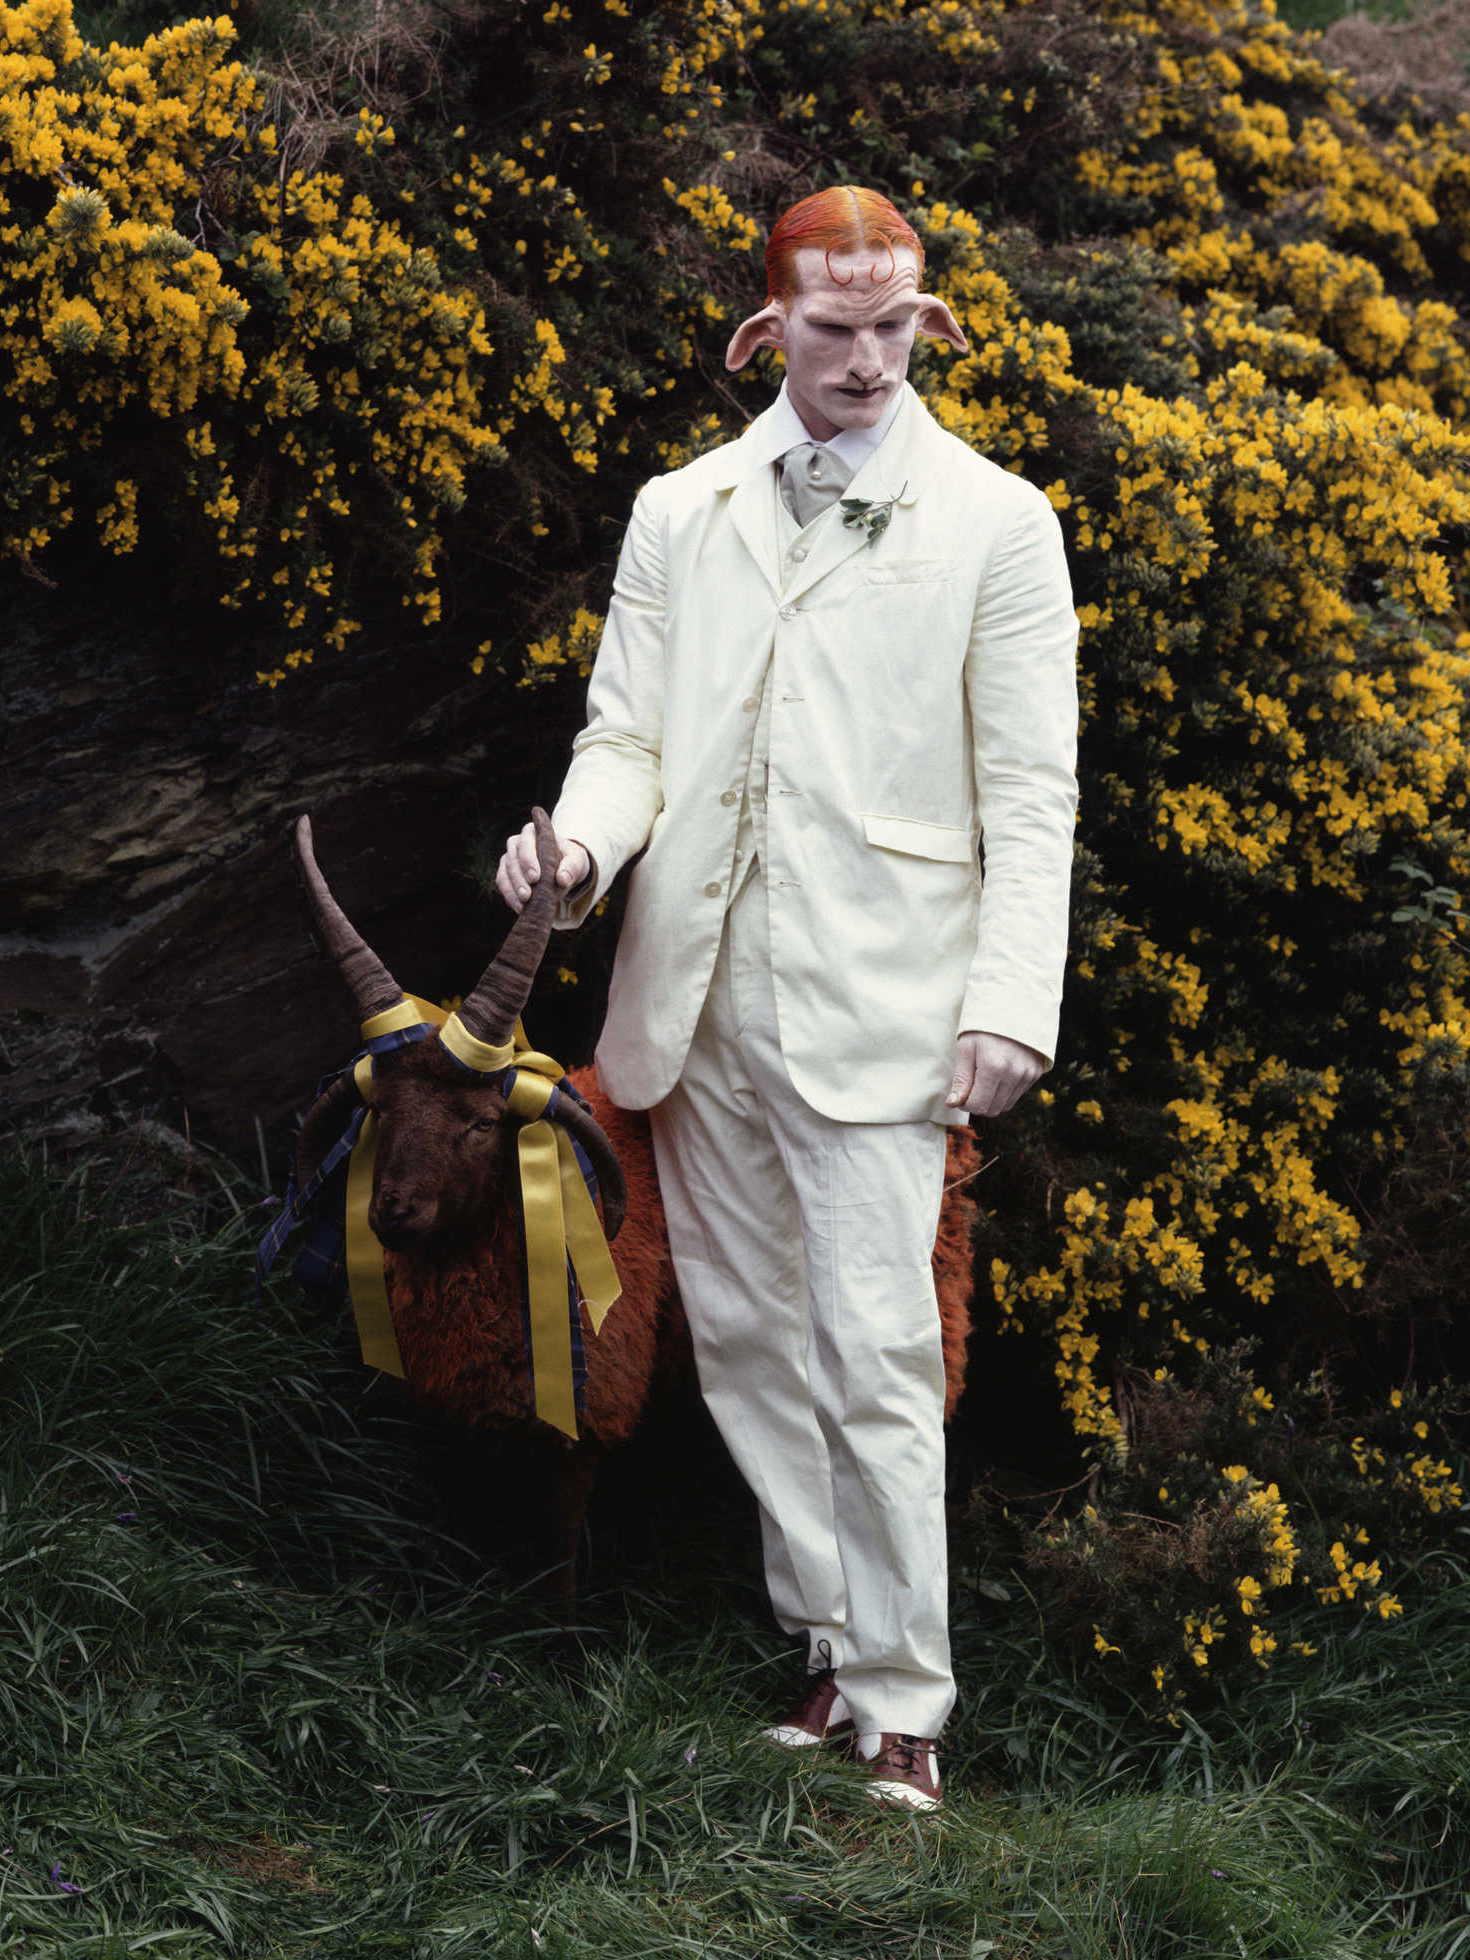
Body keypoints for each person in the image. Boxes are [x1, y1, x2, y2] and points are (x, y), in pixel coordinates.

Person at [496, 186, 1079, 1811]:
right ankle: (830, 1653)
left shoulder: (998, 523)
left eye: (898, 329)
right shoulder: (681, 511)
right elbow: (628, 735)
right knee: (747, 1339)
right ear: (766, 334)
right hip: (697, 994)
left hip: (883, 1005)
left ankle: (909, 1709)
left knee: (878, 1348)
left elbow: (1031, 798)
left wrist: (1011, 998)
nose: (871, 362)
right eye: (834, 331)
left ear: (931, 325)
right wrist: (577, 850)